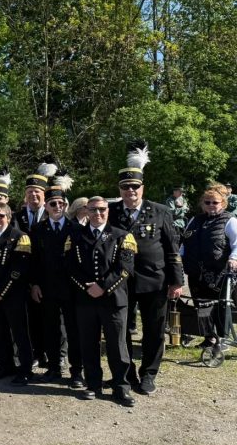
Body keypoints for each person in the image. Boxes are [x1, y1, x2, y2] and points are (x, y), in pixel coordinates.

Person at [108, 140, 183, 395]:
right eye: (125, 187)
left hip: (154, 281)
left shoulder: (160, 211)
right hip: (121, 282)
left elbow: (172, 248)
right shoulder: (110, 211)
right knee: (120, 330)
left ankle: (149, 374)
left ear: (143, 187)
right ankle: (125, 374)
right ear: (119, 189)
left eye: (135, 186)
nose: (130, 191)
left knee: (153, 330)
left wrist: (177, 281)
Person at [66, 197, 136, 406]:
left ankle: (121, 387)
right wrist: (88, 288)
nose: (98, 213)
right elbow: (70, 267)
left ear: (108, 210)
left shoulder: (122, 235)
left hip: (114, 299)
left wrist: (103, 287)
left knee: (117, 345)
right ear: (86, 211)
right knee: (88, 344)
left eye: (102, 209)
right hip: (85, 299)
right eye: (93, 210)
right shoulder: (75, 236)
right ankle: (93, 384)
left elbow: (125, 268)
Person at [30, 176, 83, 387]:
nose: (57, 207)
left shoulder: (76, 229)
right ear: (46, 206)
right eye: (53, 203)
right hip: (47, 288)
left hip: (71, 289)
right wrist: (35, 284)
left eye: (61, 203)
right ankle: (53, 367)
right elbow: (34, 260)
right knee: (50, 329)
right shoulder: (38, 229)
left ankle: (77, 371)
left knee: (73, 330)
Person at [0, 202, 33, 385]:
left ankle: (25, 369)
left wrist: (2, 291)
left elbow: (19, 269)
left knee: (19, 333)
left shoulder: (20, 237)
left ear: (9, 217)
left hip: (12, 294)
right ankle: (5, 365)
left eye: (1, 216)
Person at [181, 184, 237, 340]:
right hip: (195, 272)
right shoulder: (195, 220)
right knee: (200, 305)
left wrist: (234, 258)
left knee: (220, 306)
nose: (211, 205)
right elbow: (184, 243)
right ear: (202, 204)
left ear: (223, 203)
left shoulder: (230, 220)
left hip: (219, 273)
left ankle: (222, 340)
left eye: (215, 202)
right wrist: (178, 259)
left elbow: (236, 243)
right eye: (207, 202)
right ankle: (209, 338)